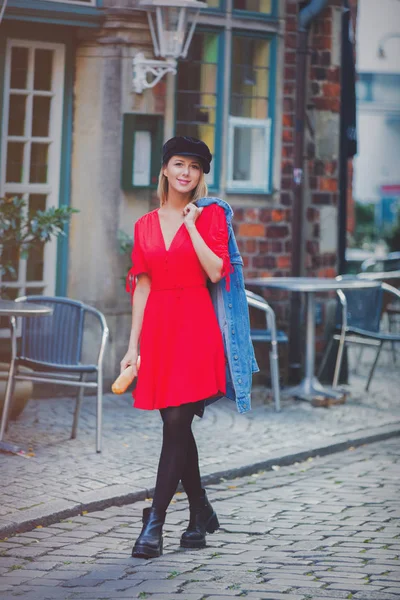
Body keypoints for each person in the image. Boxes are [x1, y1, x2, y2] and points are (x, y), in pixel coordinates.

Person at [121, 136, 232, 559]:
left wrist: (190, 225)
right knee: (177, 425)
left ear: (202, 175)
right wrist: (133, 347)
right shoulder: (145, 223)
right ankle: (199, 512)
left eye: (196, 167)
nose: (187, 172)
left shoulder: (210, 217)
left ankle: (155, 525)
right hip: (159, 331)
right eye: (179, 164)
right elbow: (142, 285)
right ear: (165, 168)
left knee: (176, 423)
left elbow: (217, 271)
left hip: (195, 327)